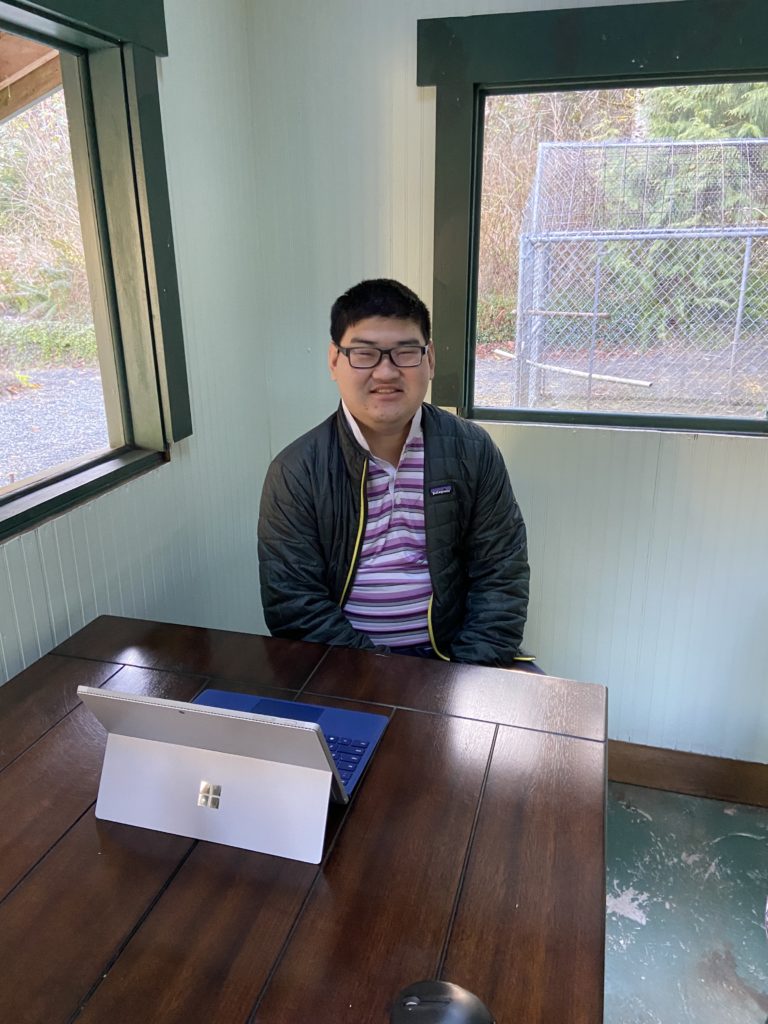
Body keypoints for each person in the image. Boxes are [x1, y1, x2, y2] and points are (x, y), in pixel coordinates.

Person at [258, 278, 531, 668]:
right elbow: (294, 606)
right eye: (365, 354)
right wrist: (386, 677)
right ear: (334, 360)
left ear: (430, 359)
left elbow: (501, 575)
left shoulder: (472, 451)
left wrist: (468, 675)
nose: (386, 373)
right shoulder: (296, 471)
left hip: (453, 660)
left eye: (406, 353)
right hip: (344, 668)